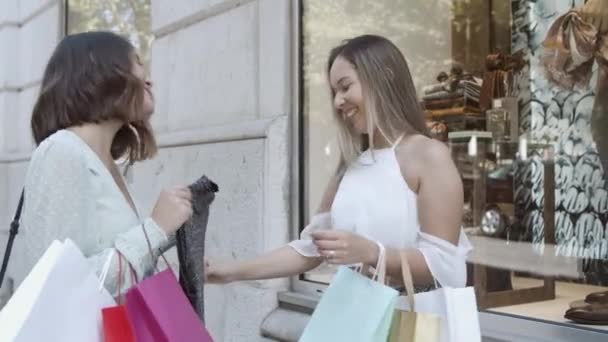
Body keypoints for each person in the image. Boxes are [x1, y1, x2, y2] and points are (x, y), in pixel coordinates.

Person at [205, 34, 472, 290]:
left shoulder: (429, 156)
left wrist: (371, 253)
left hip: (413, 327)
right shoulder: (350, 165)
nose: (337, 101)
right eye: (335, 91)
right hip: (361, 321)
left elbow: (445, 266)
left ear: (385, 78)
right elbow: (310, 248)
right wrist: (232, 271)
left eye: (345, 87)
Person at [13, 31, 193, 296]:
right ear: (101, 74)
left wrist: (171, 233)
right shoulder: (62, 152)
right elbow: (57, 286)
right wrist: (155, 229)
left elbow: (110, 261)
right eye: (138, 64)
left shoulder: (107, 164)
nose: (149, 79)